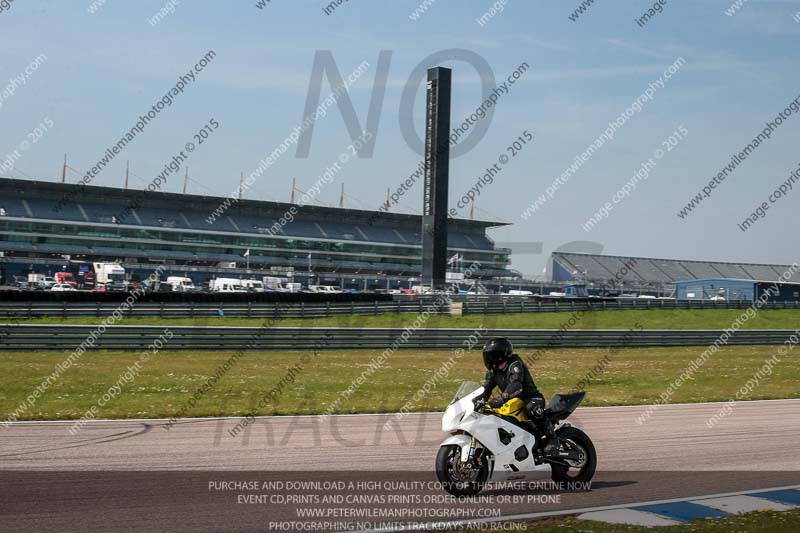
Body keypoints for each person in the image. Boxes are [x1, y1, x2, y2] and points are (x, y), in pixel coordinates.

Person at [476, 338, 560, 455]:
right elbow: (486, 389)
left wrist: (500, 399)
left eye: (491, 355)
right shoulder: (493, 371)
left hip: (530, 397)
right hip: (511, 400)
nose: (488, 358)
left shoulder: (514, 364)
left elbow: (516, 385)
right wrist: (474, 401)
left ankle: (552, 438)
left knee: (531, 408)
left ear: (499, 355)